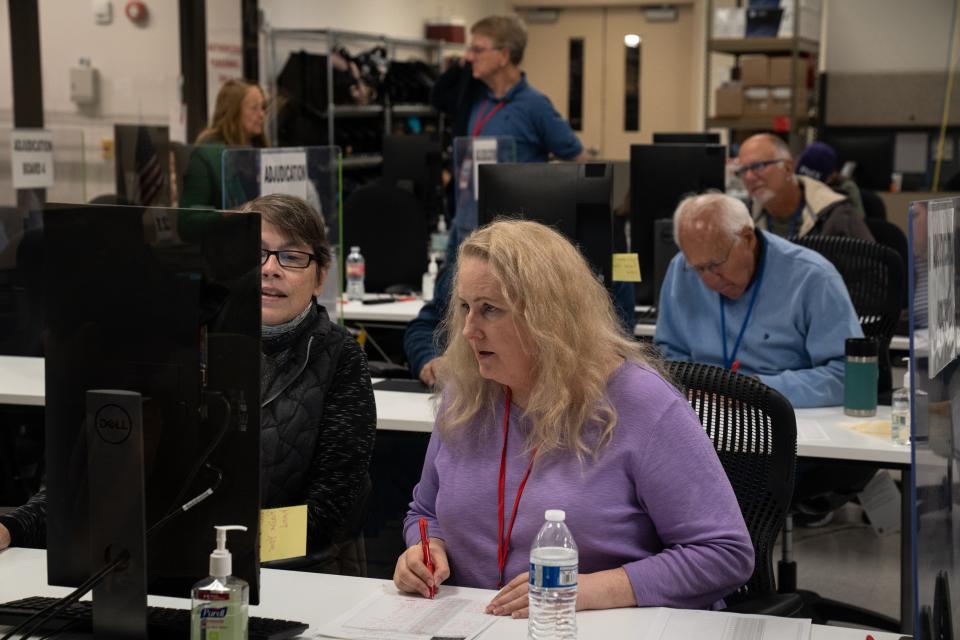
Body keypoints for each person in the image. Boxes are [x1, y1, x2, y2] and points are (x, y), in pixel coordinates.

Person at [0, 195, 377, 576]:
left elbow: (329, 513)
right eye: (256, 251)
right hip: (161, 567)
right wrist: (13, 527)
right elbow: (93, 477)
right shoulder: (182, 345)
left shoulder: (341, 359)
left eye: (292, 257)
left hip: (288, 574)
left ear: (321, 275)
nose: (270, 269)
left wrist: (214, 541)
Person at [393, 220, 754, 615]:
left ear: (547, 318)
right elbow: (425, 513)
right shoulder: (466, 394)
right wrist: (424, 550)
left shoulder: (641, 402)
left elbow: (725, 554)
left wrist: (590, 591)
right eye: (464, 307)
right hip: (478, 622)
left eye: (489, 310)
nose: (468, 331)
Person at [655, 192, 864, 408]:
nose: (708, 280)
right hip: (703, 415)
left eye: (716, 264)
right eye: (698, 268)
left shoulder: (813, 278)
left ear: (747, 238)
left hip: (786, 416)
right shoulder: (680, 270)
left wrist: (756, 390)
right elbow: (668, 356)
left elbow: (850, 376)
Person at [736, 133, 873, 242]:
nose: (748, 177)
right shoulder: (742, 220)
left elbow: (873, 272)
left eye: (758, 166)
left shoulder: (836, 216)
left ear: (788, 168)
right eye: (743, 170)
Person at [180, 78, 269, 209]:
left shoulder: (259, 148)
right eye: (254, 108)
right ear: (233, 112)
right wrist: (228, 215)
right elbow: (189, 218)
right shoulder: (208, 153)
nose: (262, 114)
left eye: (262, 108)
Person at [795, 141, 867, 220]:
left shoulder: (846, 188)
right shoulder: (793, 184)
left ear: (831, 176)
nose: (807, 186)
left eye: (813, 182)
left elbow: (855, 222)